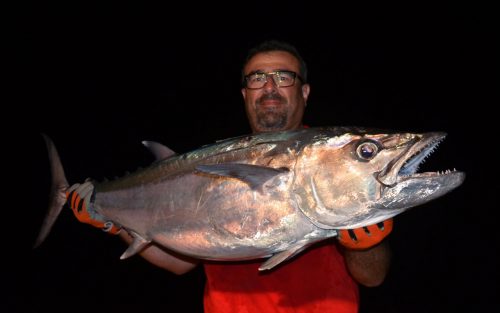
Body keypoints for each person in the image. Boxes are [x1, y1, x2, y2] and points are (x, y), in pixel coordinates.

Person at [67, 40, 393, 312]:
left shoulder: (338, 164)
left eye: (283, 77)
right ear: (245, 94)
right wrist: (113, 224)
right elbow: (181, 262)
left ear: (304, 92)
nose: (269, 87)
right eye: (257, 78)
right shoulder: (214, 159)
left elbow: (373, 277)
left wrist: (364, 246)